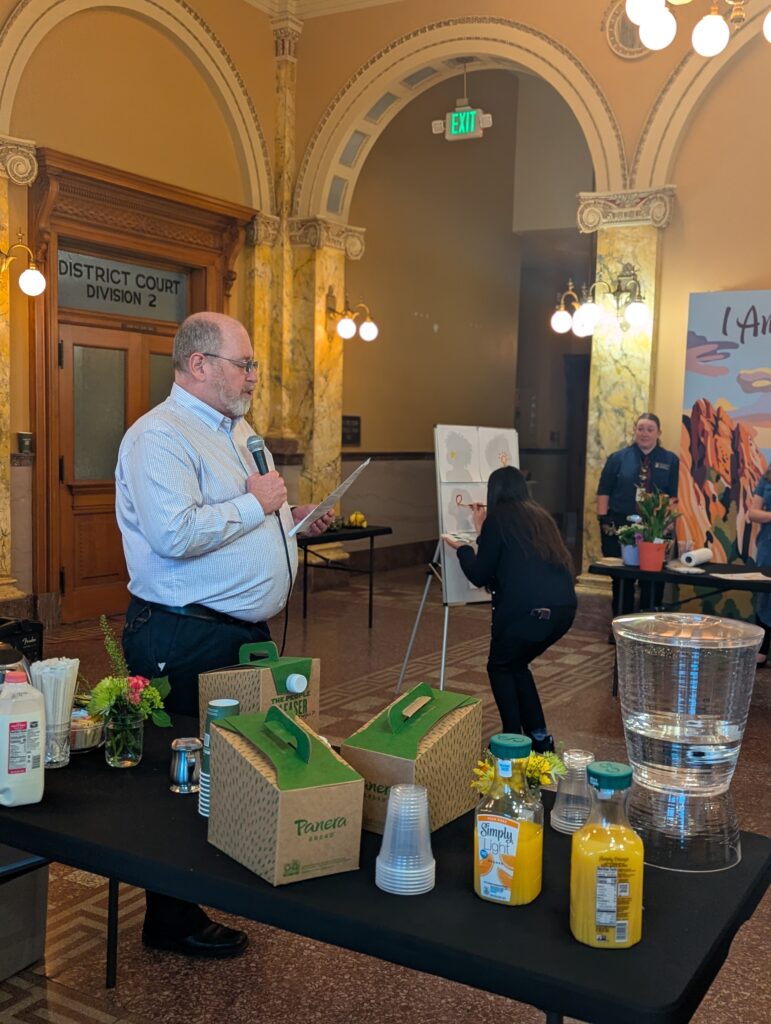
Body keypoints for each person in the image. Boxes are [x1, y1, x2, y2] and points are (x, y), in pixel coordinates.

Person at [115, 311, 334, 958]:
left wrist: (290, 522)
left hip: (237, 632)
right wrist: (258, 506)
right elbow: (175, 533)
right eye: (244, 365)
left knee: (234, 765)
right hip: (181, 634)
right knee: (178, 778)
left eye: (254, 366)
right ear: (198, 364)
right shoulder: (158, 437)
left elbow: (243, 514)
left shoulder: (238, 432)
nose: (253, 377)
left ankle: (214, 882)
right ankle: (170, 917)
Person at [443, 466, 576, 752]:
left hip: (528, 612)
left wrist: (463, 548)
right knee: (516, 665)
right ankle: (539, 737)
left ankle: (511, 740)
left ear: (494, 492)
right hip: (563, 611)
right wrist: (482, 531)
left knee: (500, 666)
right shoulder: (539, 516)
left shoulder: (499, 519)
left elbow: (480, 574)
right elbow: (508, 560)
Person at [596, 413, 679, 617]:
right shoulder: (617, 458)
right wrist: (604, 520)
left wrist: (668, 523)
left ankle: (649, 628)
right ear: (634, 431)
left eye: (650, 429)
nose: (644, 433)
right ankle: (620, 627)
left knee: (653, 580)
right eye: (640, 428)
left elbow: (674, 495)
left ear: (658, 433)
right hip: (621, 526)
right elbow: (604, 490)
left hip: (656, 527)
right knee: (622, 579)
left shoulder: (670, 460)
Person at [747, 470, 771, 666]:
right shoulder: (767, 477)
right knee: (765, 596)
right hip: (768, 546)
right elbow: (753, 513)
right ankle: (762, 651)